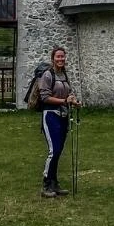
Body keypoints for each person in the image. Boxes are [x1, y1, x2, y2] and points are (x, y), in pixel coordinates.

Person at [38, 45, 77, 199]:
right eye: (58, 56)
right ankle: (46, 184)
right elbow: (45, 97)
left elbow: (69, 93)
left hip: (63, 116)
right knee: (54, 150)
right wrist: (64, 101)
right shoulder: (48, 75)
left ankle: (54, 183)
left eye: (62, 56)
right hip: (51, 115)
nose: (61, 59)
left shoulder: (64, 75)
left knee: (59, 150)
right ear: (53, 59)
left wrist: (73, 101)